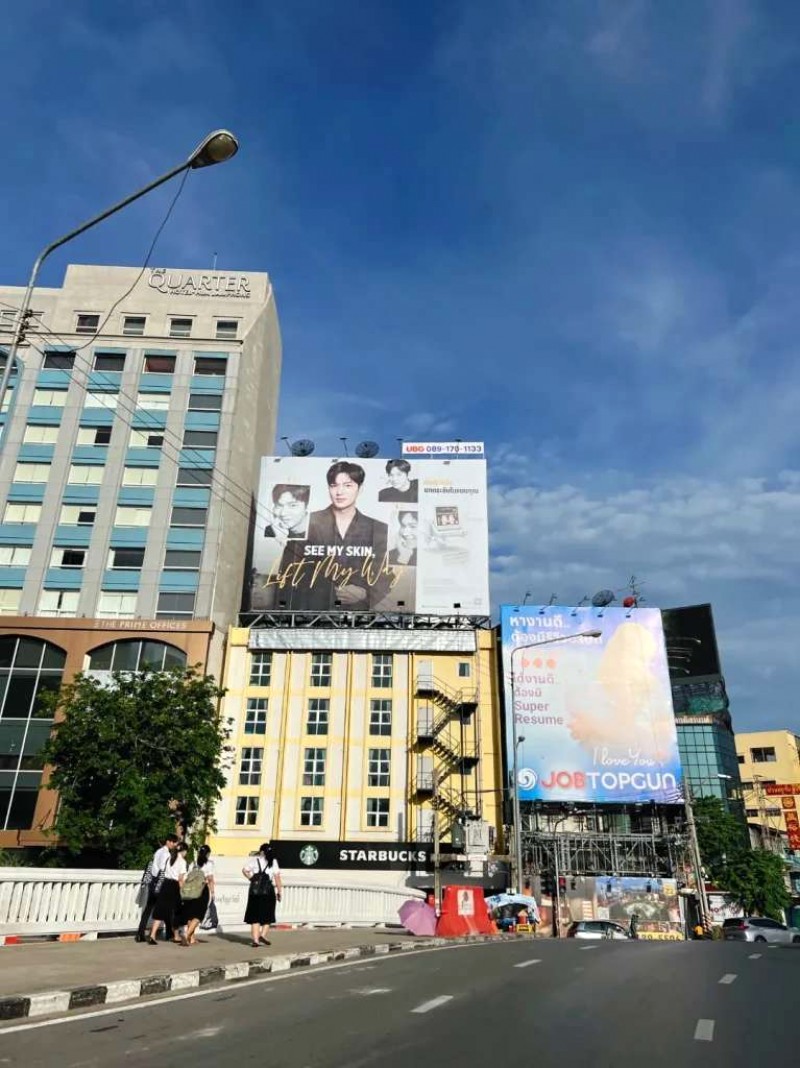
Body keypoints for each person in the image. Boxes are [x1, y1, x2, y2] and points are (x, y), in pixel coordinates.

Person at [279, 461, 390, 610]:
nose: (339, 492)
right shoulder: (306, 522)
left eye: (348, 485)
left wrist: (366, 594)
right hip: (310, 614)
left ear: (360, 489)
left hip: (357, 618)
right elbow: (287, 571)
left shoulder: (378, 529)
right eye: (334, 485)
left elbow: (384, 575)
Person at [135, 832, 179, 942]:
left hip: (153, 881)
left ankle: (140, 933)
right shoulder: (166, 854)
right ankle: (169, 934)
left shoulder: (158, 851)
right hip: (161, 882)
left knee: (149, 908)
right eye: (173, 842)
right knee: (166, 908)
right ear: (168, 841)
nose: (174, 845)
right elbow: (163, 869)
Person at [243, 842, 282, 948]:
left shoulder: (255, 860)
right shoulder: (273, 862)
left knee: (255, 916)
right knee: (268, 915)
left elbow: (244, 870)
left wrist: (251, 878)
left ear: (261, 851)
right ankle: (263, 935)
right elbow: (277, 878)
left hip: (255, 892)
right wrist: (279, 891)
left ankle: (255, 940)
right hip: (268, 892)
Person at [148, 841, 188, 945]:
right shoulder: (182, 862)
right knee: (177, 911)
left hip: (165, 884)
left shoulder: (170, 858)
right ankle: (176, 935)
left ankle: (152, 935)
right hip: (174, 886)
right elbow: (180, 879)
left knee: (160, 910)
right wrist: (184, 892)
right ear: (183, 851)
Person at [178, 844, 215, 947]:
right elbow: (210, 879)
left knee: (190, 915)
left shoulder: (193, 863)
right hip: (202, 891)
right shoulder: (209, 864)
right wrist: (212, 892)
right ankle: (186, 934)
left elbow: (186, 877)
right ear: (208, 854)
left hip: (190, 891)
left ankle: (192, 938)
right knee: (198, 915)